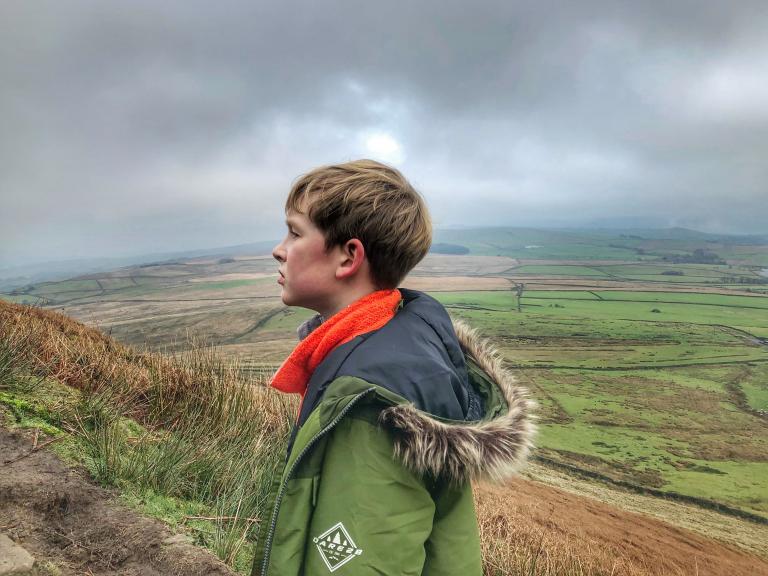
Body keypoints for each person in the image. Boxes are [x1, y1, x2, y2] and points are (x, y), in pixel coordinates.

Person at [251, 159, 534, 576]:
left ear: (349, 257)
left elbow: (358, 558)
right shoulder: (397, 344)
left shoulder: (371, 395)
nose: (279, 248)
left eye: (295, 232)